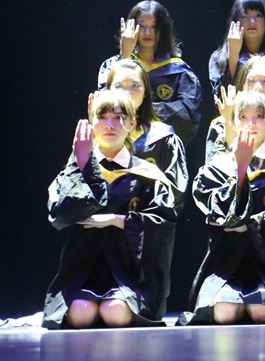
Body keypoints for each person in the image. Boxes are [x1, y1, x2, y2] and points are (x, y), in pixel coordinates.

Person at [43, 90, 176, 328]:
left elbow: (162, 223)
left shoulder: (147, 173)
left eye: (119, 117)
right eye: (102, 117)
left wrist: (117, 219)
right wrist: (82, 163)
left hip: (130, 271)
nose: (110, 125)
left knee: (115, 313)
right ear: (92, 122)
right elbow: (59, 214)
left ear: (132, 124)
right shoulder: (76, 168)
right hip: (83, 268)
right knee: (80, 314)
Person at [180, 91, 265, 325]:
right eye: (243, 116)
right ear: (232, 122)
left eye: (259, 116)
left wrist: (249, 226)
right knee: (224, 313)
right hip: (227, 263)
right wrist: (241, 167)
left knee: (262, 312)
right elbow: (221, 217)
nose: (251, 123)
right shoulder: (217, 168)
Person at [101, 58, 188, 317]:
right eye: (120, 85)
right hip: (101, 235)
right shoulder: (98, 136)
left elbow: (174, 194)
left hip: (146, 235)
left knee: (137, 308)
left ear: (147, 91)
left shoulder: (163, 137)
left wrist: (135, 219)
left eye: (135, 85)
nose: (128, 91)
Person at [97, 0, 203, 146]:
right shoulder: (112, 65)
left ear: (164, 29)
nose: (148, 32)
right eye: (141, 25)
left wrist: (142, 111)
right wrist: (125, 56)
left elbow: (187, 116)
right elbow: (102, 106)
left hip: (160, 147)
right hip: (118, 146)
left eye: (154, 26)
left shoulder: (180, 72)